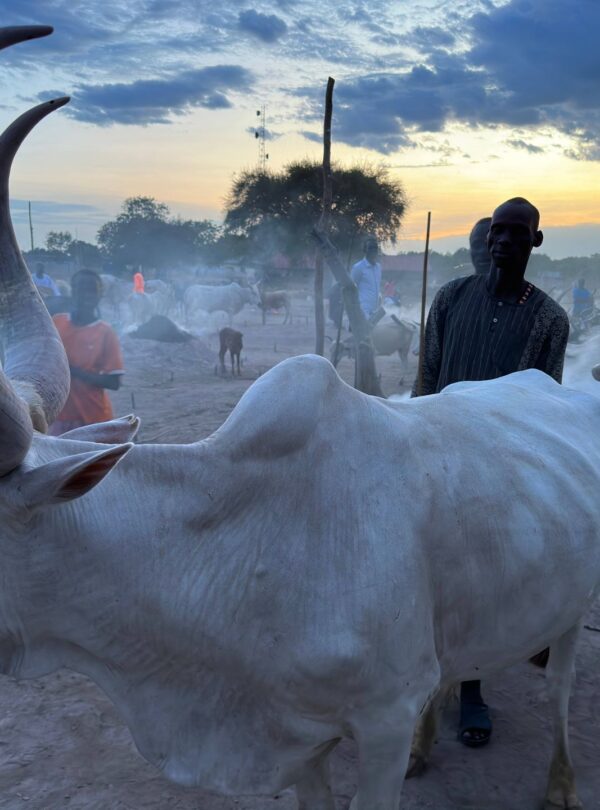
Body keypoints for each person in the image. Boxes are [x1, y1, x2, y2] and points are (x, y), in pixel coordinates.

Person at [412, 197, 570, 748]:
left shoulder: (551, 319)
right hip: (436, 453)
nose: (501, 241)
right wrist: (412, 439)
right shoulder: (451, 298)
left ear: (535, 242)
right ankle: (421, 679)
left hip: (499, 467)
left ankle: (472, 689)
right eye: (495, 232)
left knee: (482, 580)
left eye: (515, 233)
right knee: (428, 571)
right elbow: (426, 377)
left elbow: (540, 405)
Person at [49, 269, 124, 435]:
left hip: (95, 419)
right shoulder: (56, 323)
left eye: (91, 289)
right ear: (73, 293)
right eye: (80, 289)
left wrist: (73, 372)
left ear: (99, 295)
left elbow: (114, 382)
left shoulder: (106, 332)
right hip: (58, 419)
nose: (86, 295)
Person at [351, 237, 381, 319]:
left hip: (375, 310)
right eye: (370, 248)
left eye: (375, 248)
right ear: (365, 250)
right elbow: (352, 289)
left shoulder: (378, 267)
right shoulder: (358, 267)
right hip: (363, 310)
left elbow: (377, 287)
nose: (373, 250)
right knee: (366, 331)